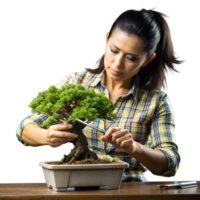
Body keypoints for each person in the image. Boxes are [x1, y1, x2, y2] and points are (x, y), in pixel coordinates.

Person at [14, 5, 188, 182]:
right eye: (114, 50)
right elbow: (23, 128)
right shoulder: (76, 84)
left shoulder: (156, 101)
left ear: (147, 59)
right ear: (106, 40)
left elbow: (171, 165)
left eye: (131, 58)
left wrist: (135, 148)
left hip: (131, 192)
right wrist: (45, 136)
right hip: (77, 188)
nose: (118, 63)